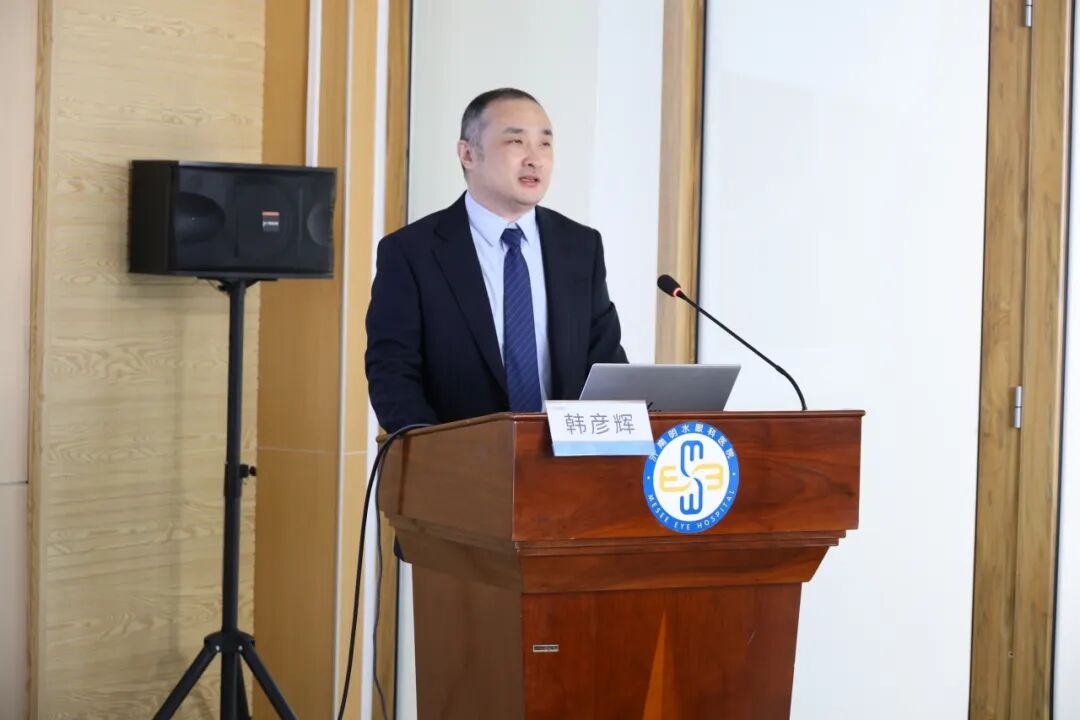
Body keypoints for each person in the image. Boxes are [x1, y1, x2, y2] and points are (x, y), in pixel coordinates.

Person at [365, 88, 627, 432]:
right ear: (468, 154)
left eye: (545, 143)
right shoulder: (411, 252)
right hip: (459, 459)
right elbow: (392, 373)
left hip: (562, 459)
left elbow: (605, 362)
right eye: (516, 142)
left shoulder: (580, 246)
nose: (535, 159)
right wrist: (435, 452)